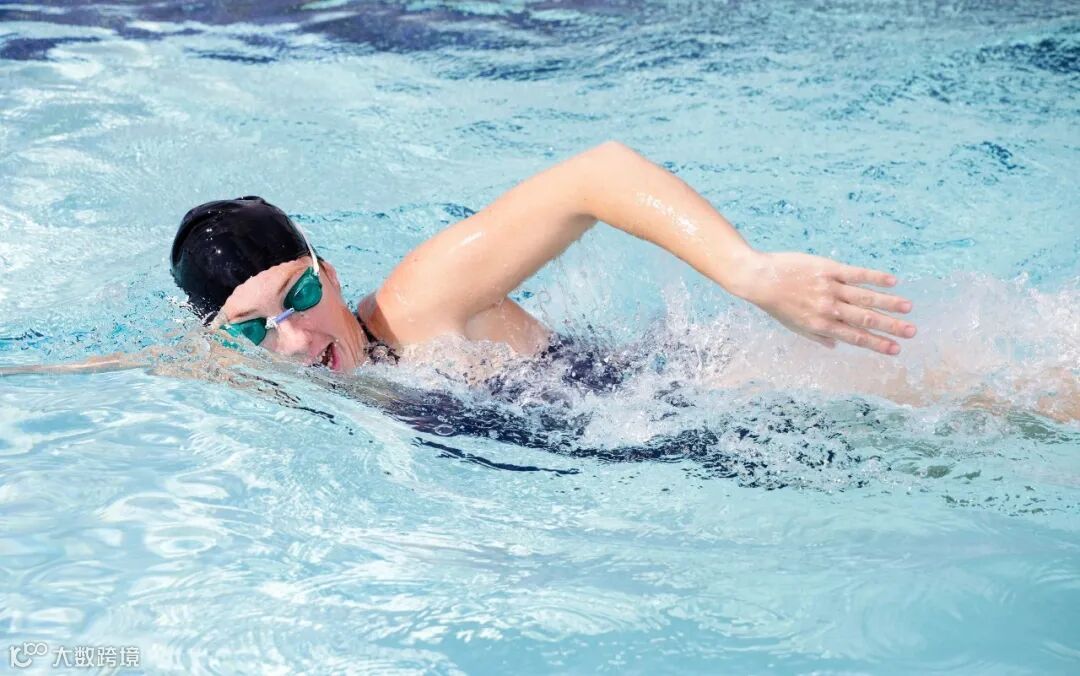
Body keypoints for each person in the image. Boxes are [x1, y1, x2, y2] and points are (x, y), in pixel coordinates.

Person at [172, 141, 917, 373]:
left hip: (696, 394)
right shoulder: (263, 372)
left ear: (329, 275)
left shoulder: (418, 303)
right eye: (255, 327)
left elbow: (598, 176)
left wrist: (749, 273)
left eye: (301, 296)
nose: (296, 339)